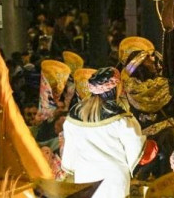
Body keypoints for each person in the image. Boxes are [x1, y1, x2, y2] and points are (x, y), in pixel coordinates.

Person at [61, 68, 146, 198]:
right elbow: (135, 146)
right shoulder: (121, 118)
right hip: (113, 179)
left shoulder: (74, 115)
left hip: (85, 176)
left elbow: (70, 151)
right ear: (115, 88)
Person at [122, 51, 174, 181]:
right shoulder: (132, 85)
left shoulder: (160, 82)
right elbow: (150, 100)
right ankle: (161, 179)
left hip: (165, 128)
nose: (154, 62)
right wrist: (170, 86)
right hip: (143, 132)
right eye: (149, 60)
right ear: (140, 65)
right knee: (169, 136)